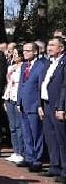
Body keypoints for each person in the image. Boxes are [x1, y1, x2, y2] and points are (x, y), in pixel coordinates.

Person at [16, 42, 49, 172]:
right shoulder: (24, 65)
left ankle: (37, 159)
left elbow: (40, 86)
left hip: (34, 104)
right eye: (23, 51)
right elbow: (21, 85)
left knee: (36, 133)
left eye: (28, 51)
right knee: (27, 133)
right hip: (24, 104)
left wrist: (39, 104)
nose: (24, 53)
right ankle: (29, 156)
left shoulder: (41, 65)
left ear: (35, 52)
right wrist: (19, 101)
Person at [40, 37, 66, 180]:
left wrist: (61, 107)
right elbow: (42, 83)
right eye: (48, 44)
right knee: (50, 137)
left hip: (58, 105)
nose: (49, 47)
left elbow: (64, 86)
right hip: (46, 104)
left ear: (61, 48)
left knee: (61, 138)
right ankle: (54, 165)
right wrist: (40, 104)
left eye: (52, 45)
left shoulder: (64, 62)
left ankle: (64, 169)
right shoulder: (49, 62)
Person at [2, 45, 24, 163]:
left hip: (17, 97)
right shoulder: (11, 66)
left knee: (19, 126)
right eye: (13, 53)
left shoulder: (24, 67)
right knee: (12, 126)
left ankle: (21, 151)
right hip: (9, 95)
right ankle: (15, 150)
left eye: (16, 53)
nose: (14, 56)